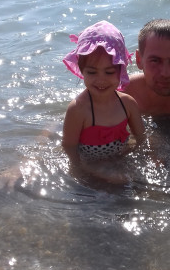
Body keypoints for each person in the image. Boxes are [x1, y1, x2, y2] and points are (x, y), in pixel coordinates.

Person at [62, 21, 145, 166]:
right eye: (92, 72)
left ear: (121, 70)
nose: (101, 80)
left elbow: (141, 139)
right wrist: (92, 172)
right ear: (82, 70)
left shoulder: (128, 104)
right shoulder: (78, 110)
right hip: (90, 166)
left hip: (120, 160)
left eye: (109, 72)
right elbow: (70, 150)